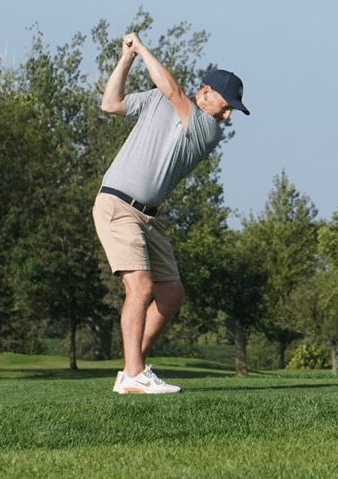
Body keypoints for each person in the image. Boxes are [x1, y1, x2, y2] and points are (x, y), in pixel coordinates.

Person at [93, 32, 249, 394]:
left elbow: (175, 93)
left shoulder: (207, 129)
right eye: (226, 106)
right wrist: (127, 59)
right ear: (206, 92)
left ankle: (133, 370)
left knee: (172, 293)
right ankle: (135, 374)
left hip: (150, 217)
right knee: (141, 286)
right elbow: (110, 104)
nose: (227, 116)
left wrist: (141, 46)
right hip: (117, 204)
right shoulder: (156, 101)